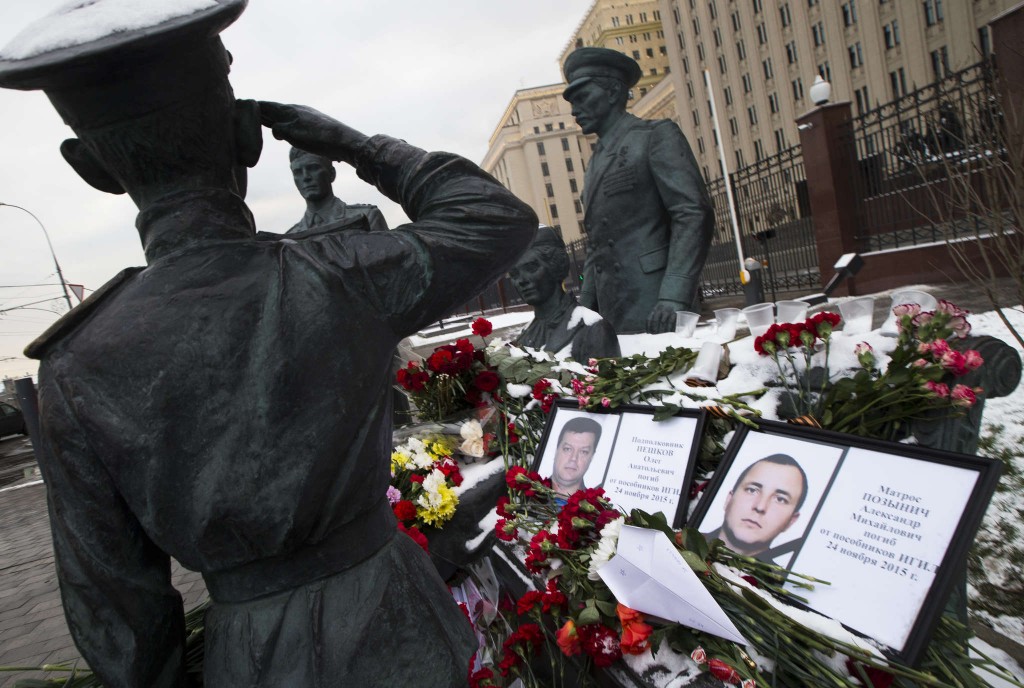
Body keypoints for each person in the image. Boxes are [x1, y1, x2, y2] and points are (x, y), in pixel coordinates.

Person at [0, 2, 536, 686]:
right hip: (399, 626)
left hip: (250, 661)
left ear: (89, 167)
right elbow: (495, 218)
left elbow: (117, 613)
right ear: (247, 135)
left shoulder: (74, 366)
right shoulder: (339, 274)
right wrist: (359, 147)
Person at [562, 47, 714, 334]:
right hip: (614, 307)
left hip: (657, 302)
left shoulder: (655, 136)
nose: (574, 110)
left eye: (582, 97)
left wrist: (674, 295)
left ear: (613, 92)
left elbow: (692, 213)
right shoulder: (594, 163)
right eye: (572, 102)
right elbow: (596, 245)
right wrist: (587, 307)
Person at [510, 225, 620, 361]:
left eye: (531, 268)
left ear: (555, 266)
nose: (521, 280)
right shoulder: (524, 335)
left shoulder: (594, 330)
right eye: (514, 274)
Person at [702, 454, 809, 563]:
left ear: (791, 521)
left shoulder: (779, 574)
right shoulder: (690, 539)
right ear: (729, 499)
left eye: (780, 499)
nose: (760, 507)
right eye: (752, 490)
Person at [286, 146, 389, 234]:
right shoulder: (291, 237)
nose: (306, 177)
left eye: (313, 168)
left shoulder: (367, 218)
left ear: (332, 174)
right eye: (298, 172)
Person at [551, 416, 603, 497]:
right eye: (567, 449)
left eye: (583, 452)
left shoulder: (596, 503)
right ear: (556, 450)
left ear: (592, 457)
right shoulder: (532, 488)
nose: (573, 458)